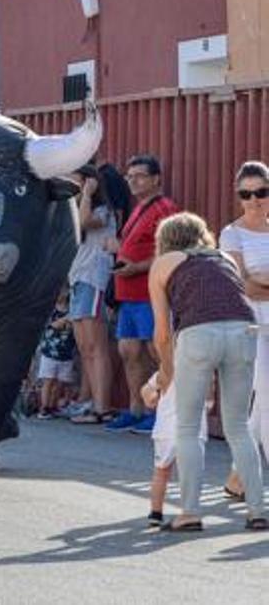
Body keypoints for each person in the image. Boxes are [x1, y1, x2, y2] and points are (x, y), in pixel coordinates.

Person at [148, 212, 265, 532]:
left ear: (165, 240)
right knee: (239, 427)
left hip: (198, 335)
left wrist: (166, 371)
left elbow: (161, 333)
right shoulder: (223, 257)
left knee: (187, 427)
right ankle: (257, 510)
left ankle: (189, 512)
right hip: (244, 331)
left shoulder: (164, 262)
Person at [107, 155, 178, 434]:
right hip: (128, 293)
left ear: (156, 179)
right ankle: (136, 409)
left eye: (139, 175)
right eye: (129, 176)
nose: (133, 180)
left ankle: (160, 411)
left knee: (156, 351)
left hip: (152, 292)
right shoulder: (139, 208)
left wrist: (136, 266)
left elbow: (170, 252)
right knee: (129, 351)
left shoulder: (166, 208)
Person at [218, 161, 269, 499]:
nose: (254, 200)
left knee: (263, 402)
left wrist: (261, 278)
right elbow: (243, 286)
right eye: (246, 194)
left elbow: (257, 281)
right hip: (251, 324)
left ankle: (239, 474)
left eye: (261, 192)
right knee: (265, 396)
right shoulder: (230, 233)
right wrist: (259, 280)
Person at [67, 165, 119, 425]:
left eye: (75, 183)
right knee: (85, 348)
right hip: (77, 280)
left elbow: (84, 223)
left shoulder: (102, 211)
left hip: (93, 279)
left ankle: (103, 407)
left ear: (90, 183)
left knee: (97, 347)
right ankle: (91, 402)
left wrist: (86, 194)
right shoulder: (72, 210)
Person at [140, 369, 205, 527]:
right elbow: (210, 402)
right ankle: (189, 511)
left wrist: (153, 399)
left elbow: (146, 392)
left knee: (161, 471)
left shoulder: (165, 371)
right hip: (195, 430)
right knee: (190, 474)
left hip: (166, 429)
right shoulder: (203, 371)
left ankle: (156, 512)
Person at [35, 289, 77, 419]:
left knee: (61, 382)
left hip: (66, 353)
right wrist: (67, 318)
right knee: (48, 381)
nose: (61, 293)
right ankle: (44, 408)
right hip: (50, 352)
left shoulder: (73, 308)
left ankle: (53, 406)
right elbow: (53, 325)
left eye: (64, 290)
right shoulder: (50, 309)